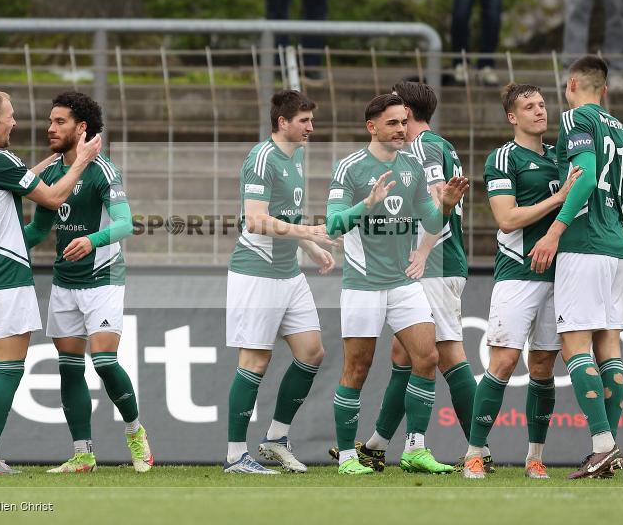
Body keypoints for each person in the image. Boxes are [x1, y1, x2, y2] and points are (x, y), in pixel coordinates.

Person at [0, 90, 100, 475]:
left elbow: (11, 182)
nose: (15, 122)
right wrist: (80, 162)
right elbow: (52, 198)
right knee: (10, 368)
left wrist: (45, 164)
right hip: (6, 276)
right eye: (10, 115)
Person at [326, 93, 468, 475]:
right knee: (358, 367)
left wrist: (447, 206)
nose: (401, 130)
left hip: (404, 283)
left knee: (428, 357)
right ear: (372, 127)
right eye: (393, 123)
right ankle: (347, 457)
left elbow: (431, 221)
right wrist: (367, 205)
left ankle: (415, 449)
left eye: (404, 122)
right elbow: (333, 225)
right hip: (364, 284)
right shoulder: (350, 168)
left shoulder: (412, 168)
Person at [529, 56, 623, 479]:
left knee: (575, 346)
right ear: (605, 89)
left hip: (583, 246)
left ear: (574, 82)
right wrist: (614, 194)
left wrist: (556, 231)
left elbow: (583, 177)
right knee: (608, 349)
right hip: (618, 250)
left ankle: (602, 444)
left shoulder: (574, 119)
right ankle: (608, 452)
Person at [21, 91, 152, 474]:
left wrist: (92, 240)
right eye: (50, 120)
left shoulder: (103, 171)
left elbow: (127, 223)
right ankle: (83, 454)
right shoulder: (50, 174)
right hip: (64, 282)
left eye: (59, 121)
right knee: (69, 367)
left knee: (106, 361)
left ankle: (134, 431)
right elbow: (38, 229)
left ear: (81, 128)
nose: (50, 128)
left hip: (103, 280)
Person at [462, 83, 581, 479]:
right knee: (504, 361)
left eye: (543, 105)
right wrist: (559, 195)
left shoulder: (560, 156)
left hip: (559, 275)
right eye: (529, 107)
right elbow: (507, 219)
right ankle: (474, 453)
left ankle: (535, 457)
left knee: (544, 365)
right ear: (513, 117)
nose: (540, 112)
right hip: (517, 273)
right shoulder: (503, 157)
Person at [224, 90, 336, 474]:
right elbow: (255, 220)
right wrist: (310, 231)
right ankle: (235, 455)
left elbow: (287, 212)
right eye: (303, 121)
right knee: (255, 361)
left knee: (312, 352)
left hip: (289, 272)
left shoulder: (296, 154)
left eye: (311, 119)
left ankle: (275, 439)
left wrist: (310, 246)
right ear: (282, 122)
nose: (310, 127)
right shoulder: (262, 158)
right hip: (257, 272)